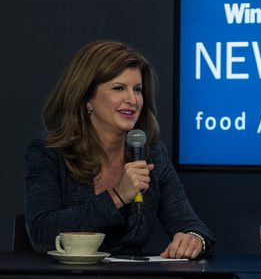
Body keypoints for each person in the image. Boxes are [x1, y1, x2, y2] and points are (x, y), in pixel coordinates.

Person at [24, 40, 215, 259]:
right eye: (118, 88)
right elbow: (42, 234)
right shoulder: (49, 153)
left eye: (138, 90)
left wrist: (194, 239)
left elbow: (193, 226)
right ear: (87, 99)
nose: (132, 100)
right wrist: (118, 196)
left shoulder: (151, 154)